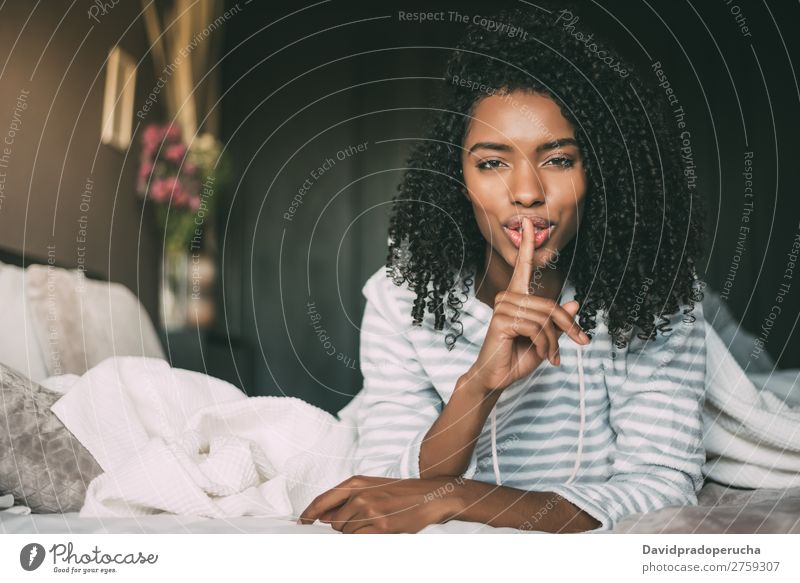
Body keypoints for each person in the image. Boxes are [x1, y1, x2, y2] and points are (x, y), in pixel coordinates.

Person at [299, 4, 707, 533]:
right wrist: (478, 387)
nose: (527, 192)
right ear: (458, 178)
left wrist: (461, 500)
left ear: (600, 170)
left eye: (558, 159)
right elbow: (386, 489)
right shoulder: (401, 298)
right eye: (492, 163)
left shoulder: (653, 297)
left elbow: (663, 485)